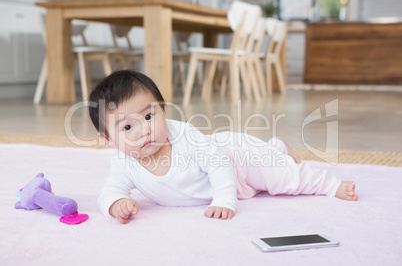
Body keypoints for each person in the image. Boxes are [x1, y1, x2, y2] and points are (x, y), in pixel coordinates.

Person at [88, 70, 358, 224]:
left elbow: (218, 163)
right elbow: (109, 190)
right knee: (271, 168)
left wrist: (225, 200)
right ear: (108, 139)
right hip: (227, 172)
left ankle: (329, 185)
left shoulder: (184, 137)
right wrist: (115, 204)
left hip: (236, 157)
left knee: (282, 177)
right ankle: (277, 147)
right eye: (127, 127)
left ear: (163, 109)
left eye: (149, 116)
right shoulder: (123, 163)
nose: (144, 130)